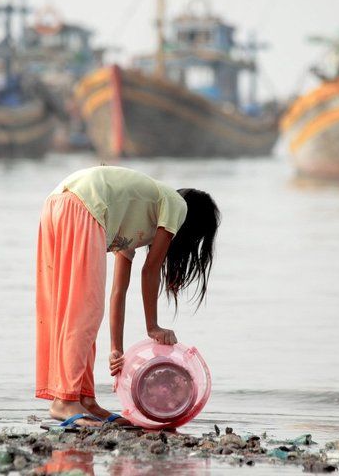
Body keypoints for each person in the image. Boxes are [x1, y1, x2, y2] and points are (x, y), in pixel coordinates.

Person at [35, 165, 220, 428]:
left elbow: (118, 293)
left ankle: (84, 399)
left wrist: (116, 350)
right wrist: (153, 327)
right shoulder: (177, 205)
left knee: (76, 308)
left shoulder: (133, 224)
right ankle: (64, 402)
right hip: (83, 201)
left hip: (57, 203)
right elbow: (151, 270)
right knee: (85, 311)